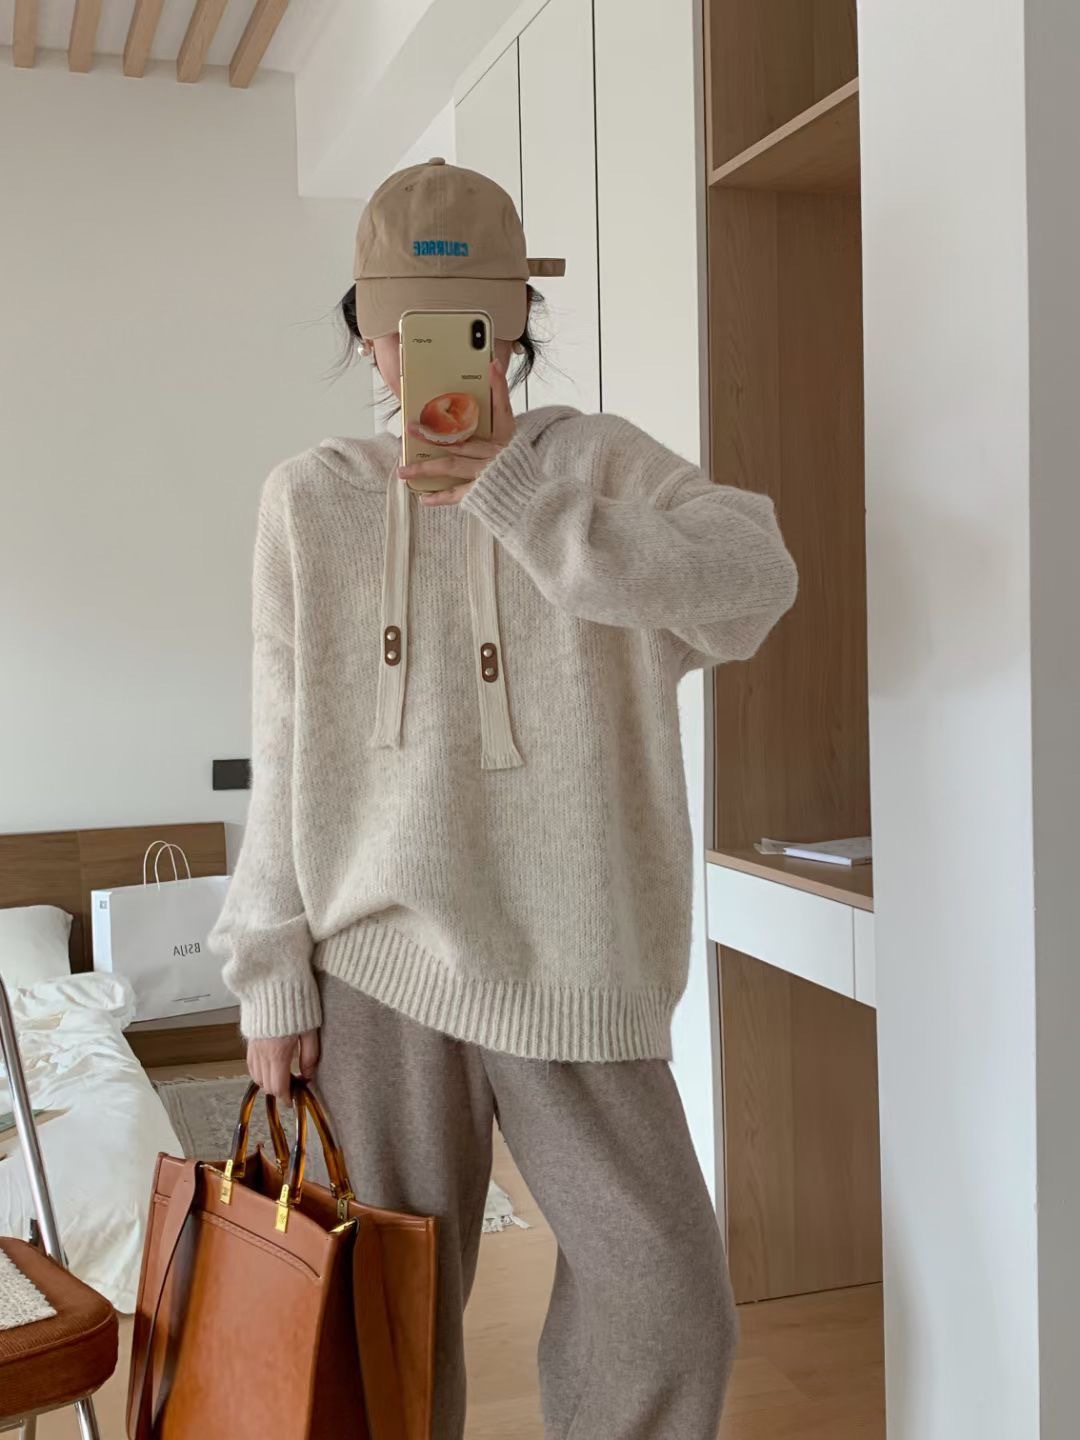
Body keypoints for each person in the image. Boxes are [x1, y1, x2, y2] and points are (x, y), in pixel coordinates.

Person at [209, 157, 798, 1440]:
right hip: (375, 965)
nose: (422, 352)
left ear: (515, 319)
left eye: (467, 320)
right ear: (365, 327)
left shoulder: (598, 467)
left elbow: (756, 580)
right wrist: (268, 971)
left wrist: (518, 495)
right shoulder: (310, 500)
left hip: (575, 960)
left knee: (669, 1311)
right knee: (381, 1331)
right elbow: (284, 741)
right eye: (401, 322)